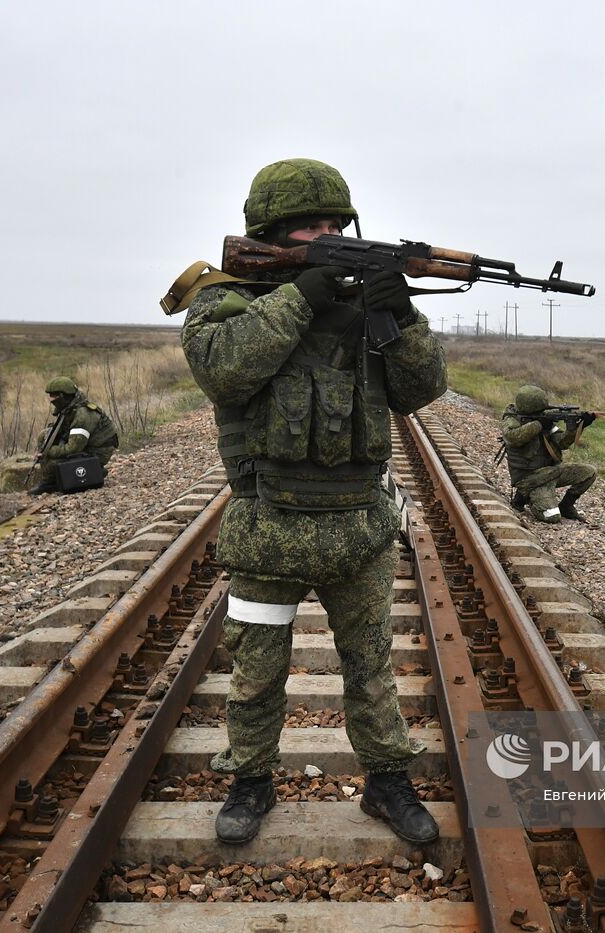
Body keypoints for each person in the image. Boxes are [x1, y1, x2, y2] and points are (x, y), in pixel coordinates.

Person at [175, 158, 447, 847]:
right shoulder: (226, 298)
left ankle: (388, 781)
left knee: (372, 669)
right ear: (267, 232)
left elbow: (421, 390)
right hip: (268, 528)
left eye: (336, 225)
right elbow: (224, 367)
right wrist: (304, 295)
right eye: (309, 227)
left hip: (360, 528)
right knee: (257, 672)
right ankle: (251, 780)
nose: (327, 235)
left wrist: (401, 312)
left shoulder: (365, 309)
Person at [499, 385, 597, 523]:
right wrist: (538, 424)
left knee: (589, 472)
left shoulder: (546, 422)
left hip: (550, 472)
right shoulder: (512, 419)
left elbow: (561, 443)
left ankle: (566, 506)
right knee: (552, 516)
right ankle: (526, 495)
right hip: (528, 478)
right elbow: (513, 437)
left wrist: (576, 428)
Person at [27, 377, 119, 495]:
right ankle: (55, 478)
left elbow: (73, 448)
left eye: (53, 396)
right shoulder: (69, 407)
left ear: (63, 396)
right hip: (86, 445)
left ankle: (92, 469)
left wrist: (47, 452)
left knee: (52, 464)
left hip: (98, 452)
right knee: (44, 436)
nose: (51, 400)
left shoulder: (83, 414)